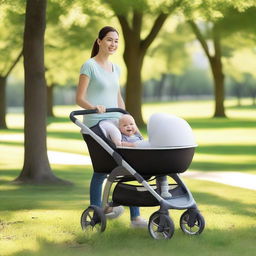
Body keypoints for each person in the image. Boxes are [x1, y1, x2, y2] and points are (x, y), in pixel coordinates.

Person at [76, 26, 147, 228]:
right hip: (96, 125)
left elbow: (118, 97)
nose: (113, 44)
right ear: (99, 41)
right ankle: (97, 211)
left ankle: (135, 218)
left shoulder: (117, 68)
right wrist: (94, 108)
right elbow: (79, 98)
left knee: (129, 163)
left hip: (115, 121)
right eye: (109, 40)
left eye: (116, 41)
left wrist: (125, 116)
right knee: (101, 171)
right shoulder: (89, 66)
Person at [116, 114, 173, 199]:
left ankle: (164, 190)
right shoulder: (123, 138)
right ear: (119, 129)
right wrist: (133, 145)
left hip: (145, 158)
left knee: (161, 170)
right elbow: (120, 144)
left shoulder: (137, 136)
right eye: (125, 125)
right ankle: (163, 189)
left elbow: (143, 144)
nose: (129, 127)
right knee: (160, 167)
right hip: (137, 161)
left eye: (131, 124)